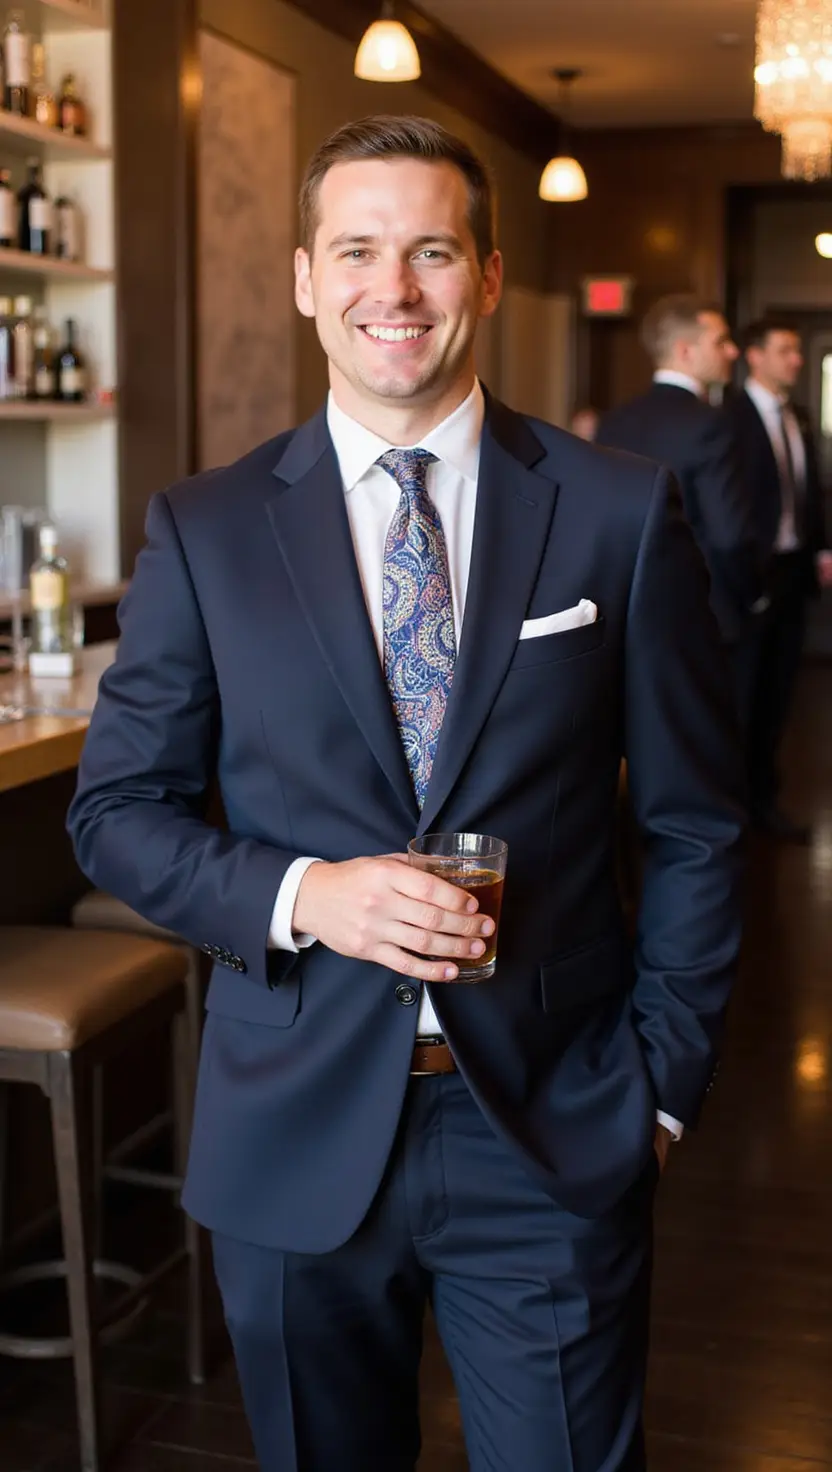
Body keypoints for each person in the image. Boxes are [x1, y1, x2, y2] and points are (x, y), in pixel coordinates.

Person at [67, 116, 745, 1472]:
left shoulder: (620, 509)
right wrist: (308, 893)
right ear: (309, 278)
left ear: (487, 275)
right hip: (293, 1127)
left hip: (552, 1129)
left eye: (432, 250)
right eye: (360, 252)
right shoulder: (204, 529)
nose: (397, 291)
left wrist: (661, 1092)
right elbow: (117, 814)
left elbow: (694, 822)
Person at [597, 295, 762, 667]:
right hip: (703, 612)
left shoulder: (614, 421)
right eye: (721, 342)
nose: (733, 352)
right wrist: (754, 595)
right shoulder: (711, 423)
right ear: (685, 351)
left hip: (624, 609)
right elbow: (729, 534)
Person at [729, 318, 832, 842]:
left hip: (793, 572)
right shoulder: (728, 418)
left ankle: (765, 802)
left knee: (778, 696)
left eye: (797, 350)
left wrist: (820, 549)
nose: (796, 360)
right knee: (742, 697)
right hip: (748, 578)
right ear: (756, 356)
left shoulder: (799, 416)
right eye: (786, 350)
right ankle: (738, 810)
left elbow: (808, 490)